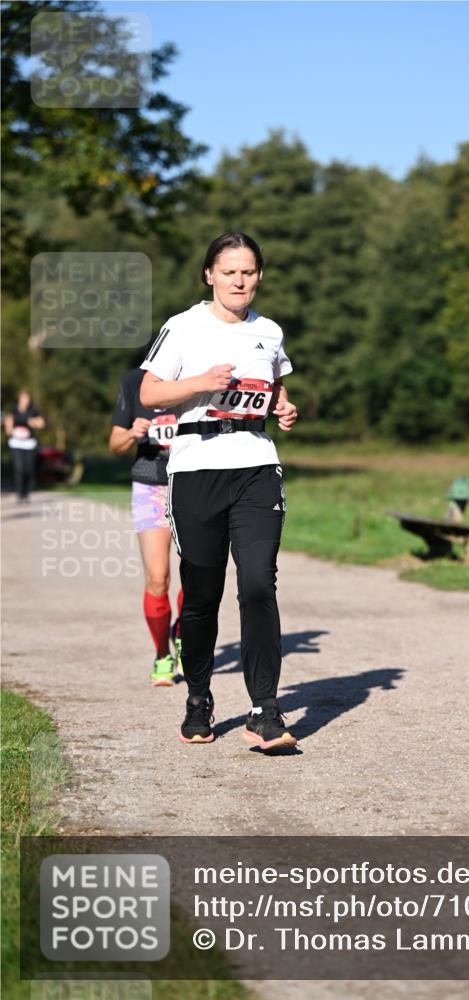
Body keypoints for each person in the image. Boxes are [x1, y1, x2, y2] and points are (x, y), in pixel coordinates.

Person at [140, 231, 298, 748]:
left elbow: (274, 386)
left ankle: (264, 709)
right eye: (229, 271)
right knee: (202, 593)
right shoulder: (183, 326)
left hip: (256, 466)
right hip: (196, 469)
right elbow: (149, 391)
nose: (239, 280)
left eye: (248, 272)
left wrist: (283, 407)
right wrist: (200, 382)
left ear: (259, 277)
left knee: (258, 585)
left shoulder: (269, 331)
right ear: (210, 274)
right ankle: (198, 699)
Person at [109, 368, 183, 686]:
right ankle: (162, 654)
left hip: (193, 482)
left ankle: (183, 631)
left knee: (198, 575)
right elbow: (114, 444)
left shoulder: (197, 373)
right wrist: (131, 433)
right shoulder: (133, 382)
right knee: (157, 578)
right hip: (150, 485)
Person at [4, 389, 45, 501]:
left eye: (27, 398)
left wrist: (34, 422)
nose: (26, 400)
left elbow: (41, 423)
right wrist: (11, 430)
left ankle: (27, 492)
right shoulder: (13, 409)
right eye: (24, 398)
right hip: (16, 443)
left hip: (29, 444)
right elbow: (8, 423)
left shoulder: (33, 410)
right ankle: (20, 493)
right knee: (19, 468)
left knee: (29, 468)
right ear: (19, 399)